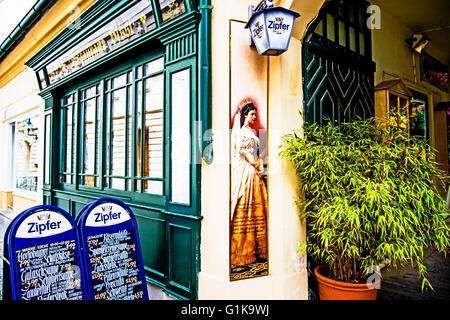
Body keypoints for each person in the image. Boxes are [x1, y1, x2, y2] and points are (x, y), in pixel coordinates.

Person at [230, 101, 268, 269]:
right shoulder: (243, 134)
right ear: (245, 115)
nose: (254, 117)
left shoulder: (249, 132)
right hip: (248, 174)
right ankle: (242, 255)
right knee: (247, 210)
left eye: (254, 114)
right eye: (252, 114)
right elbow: (250, 158)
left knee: (253, 211)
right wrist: (259, 164)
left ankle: (254, 251)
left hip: (251, 174)